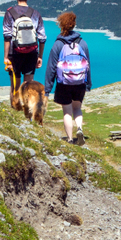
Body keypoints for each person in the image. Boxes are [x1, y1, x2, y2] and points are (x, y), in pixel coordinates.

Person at [44, 11, 91, 145]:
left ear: (61, 25)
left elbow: (51, 68)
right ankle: (80, 129)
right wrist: (88, 83)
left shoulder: (58, 44)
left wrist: (47, 89)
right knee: (77, 108)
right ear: (74, 24)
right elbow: (88, 65)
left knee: (67, 111)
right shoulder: (83, 43)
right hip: (80, 82)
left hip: (64, 84)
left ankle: (70, 139)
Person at [3, 0, 46, 89]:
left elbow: (7, 36)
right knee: (28, 84)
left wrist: (6, 57)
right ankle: (27, 104)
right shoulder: (36, 13)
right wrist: (40, 56)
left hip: (15, 52)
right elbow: (42, 37)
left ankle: (15, 104)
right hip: (32, 52)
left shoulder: (9, 13)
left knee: (15, 84)